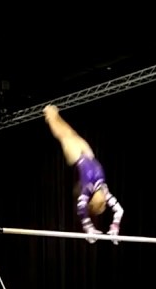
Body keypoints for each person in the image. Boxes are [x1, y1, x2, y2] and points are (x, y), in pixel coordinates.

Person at [43, 104, 125, 242]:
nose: (106, 202)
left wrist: (89, 228)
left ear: (96, 203)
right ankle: (55, 114)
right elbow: (120, 210)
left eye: (103, 205)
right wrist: (115, 226)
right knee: (71, 132)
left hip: (77, 157)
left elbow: (81, 208)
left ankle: (49, 116)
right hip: (88, 154)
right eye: (106, 204)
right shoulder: (104, 191)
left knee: (63, 136)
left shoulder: (88, 189)